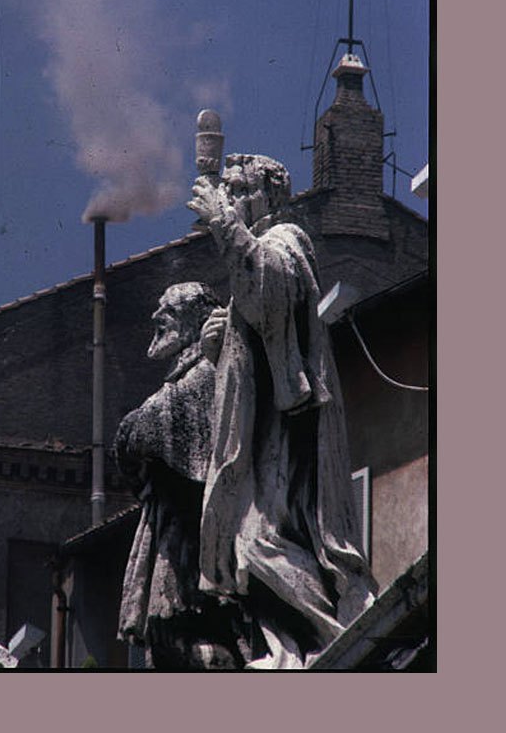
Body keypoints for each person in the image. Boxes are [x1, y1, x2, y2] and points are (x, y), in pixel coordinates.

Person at [187, 153, 377, 668]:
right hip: (265, 437)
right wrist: (219, 346)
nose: (230, 199)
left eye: (239, 190)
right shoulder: (254, 248)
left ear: (269, 196)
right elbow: (254, 338)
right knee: (249, 548)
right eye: (227, 190)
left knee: (259, 543)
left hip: (290, 436)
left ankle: (336, 640)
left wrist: (224, 226)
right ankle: (288, 649)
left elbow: (270, 296)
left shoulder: (286, 239)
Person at [113, 282, 251, 669]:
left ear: (194, 320)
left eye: (168, 310)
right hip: (174, 526)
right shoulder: (186, 375)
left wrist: (133, 427)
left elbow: (147, 431)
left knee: (182, 632)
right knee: (167, 637)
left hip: (192, 530)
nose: (156, 317)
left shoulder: (208, 370)